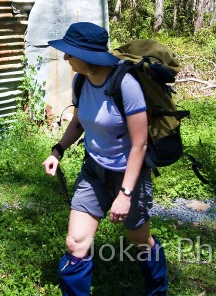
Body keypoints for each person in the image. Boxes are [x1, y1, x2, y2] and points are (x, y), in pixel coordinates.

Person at [43, 22, 168, 296]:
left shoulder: (126, 85)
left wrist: (124, 194)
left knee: (140, 241)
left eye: (69, 53)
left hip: (129, 177)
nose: (65, 58)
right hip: (93, 172)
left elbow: (140, 144)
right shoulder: (81, 81)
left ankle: (158, 288)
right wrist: (57, 151)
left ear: (86, 56)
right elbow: (78, 122)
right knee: (76, 243)